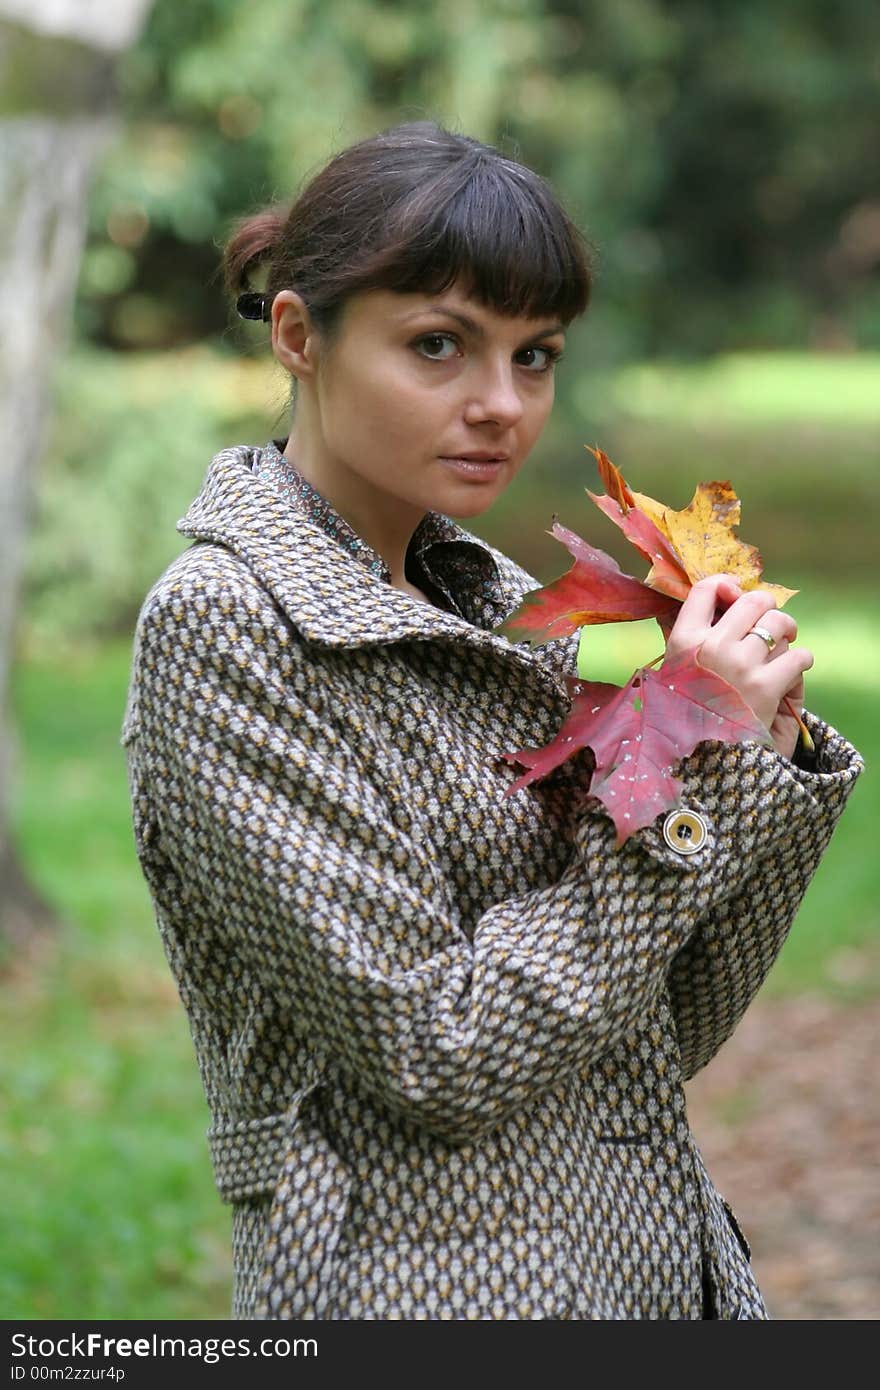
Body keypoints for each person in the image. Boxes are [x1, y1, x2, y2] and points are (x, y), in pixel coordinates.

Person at [123, 121, 862, 1321]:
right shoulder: (227, 624)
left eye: (536, 355)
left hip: (649, 1269)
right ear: (300, 335)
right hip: (418, 1291)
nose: (499, 404)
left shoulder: (508, 624)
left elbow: (652, 1035)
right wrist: (680, 782)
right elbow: (439, 1052)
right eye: (438, 346)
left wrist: (734, 751)